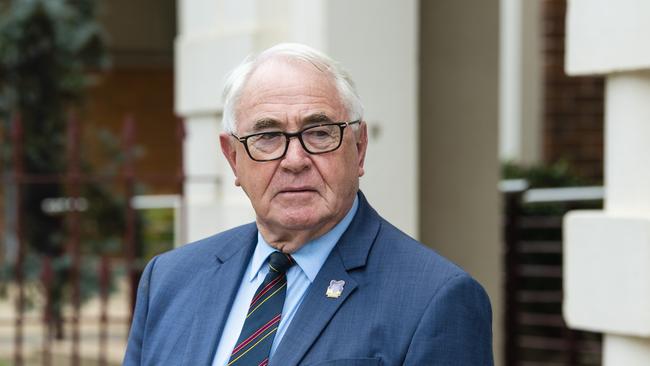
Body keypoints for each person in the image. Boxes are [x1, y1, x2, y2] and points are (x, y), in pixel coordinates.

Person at [123, 43, 493, 366]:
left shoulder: (436, 299)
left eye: (319, 133)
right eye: (267, 136)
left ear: (359, 148)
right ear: (233, 157)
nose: (294, 159)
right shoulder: (169, 281)